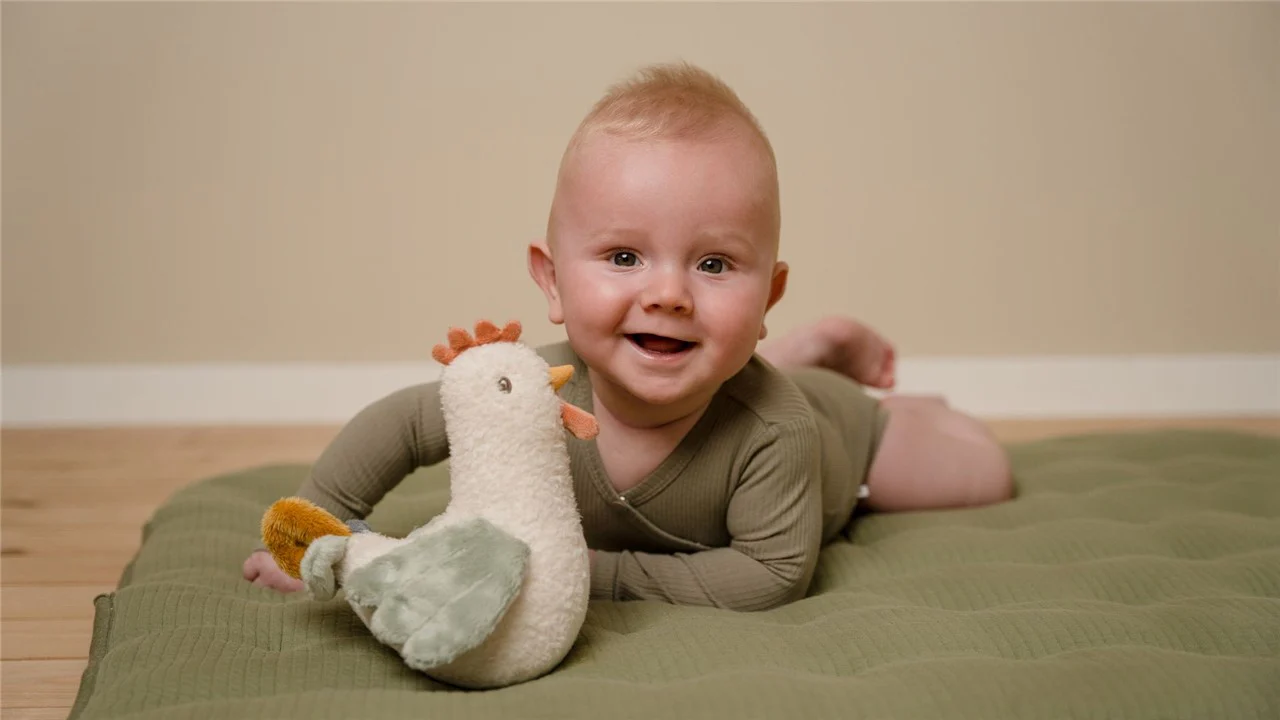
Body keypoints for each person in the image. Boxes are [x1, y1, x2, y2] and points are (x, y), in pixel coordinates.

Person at [243, 61, 1013, 610]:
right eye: (623, 257)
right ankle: (804, 352)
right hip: (737, 373)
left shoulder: (777, 431)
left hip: (849, 439)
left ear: (766, 297)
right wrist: (316, 527)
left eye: (714, 264)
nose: (668, 294)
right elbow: (401, 424)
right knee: (730, 370)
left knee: (980, 476)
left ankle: (874, 398)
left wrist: (592, 573)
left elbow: (770, 575)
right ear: (552, 282)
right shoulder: (528, 389)